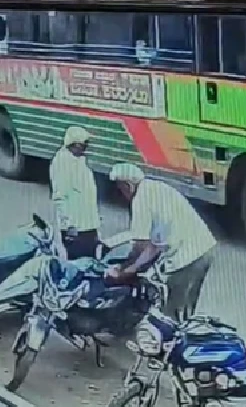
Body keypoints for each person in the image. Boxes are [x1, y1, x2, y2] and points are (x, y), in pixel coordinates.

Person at [105, 163, 217, 322]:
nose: (121, 193)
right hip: (204, 249)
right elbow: (154, 245)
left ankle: (167, 343)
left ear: (127, 185)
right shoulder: (155, 187)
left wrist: (122, 271)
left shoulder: (141, 200)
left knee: (170, 312)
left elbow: (140, 246)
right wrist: (134, 268)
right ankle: (182, 330)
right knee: (186, 307)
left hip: (187, 258)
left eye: (120, 188)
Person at [49, 126, 100, 259]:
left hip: (87, 225)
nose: (86, 148)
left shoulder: (78, 160)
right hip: (76, 228)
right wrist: (69, 225)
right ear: (74, 144)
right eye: (83, 144)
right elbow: (60, 197)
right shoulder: (62, 164)